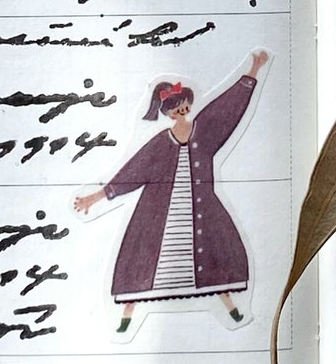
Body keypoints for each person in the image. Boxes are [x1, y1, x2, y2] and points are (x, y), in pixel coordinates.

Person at [73, 50, 270, 337]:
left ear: (189, 104)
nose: (181, 111)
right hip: (159, 215)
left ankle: (232, 309)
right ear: (166, 113)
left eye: (184, 105)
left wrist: (253, 69)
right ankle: (126, 318)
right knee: (142, 265)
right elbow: (132, 172)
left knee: (216, 259)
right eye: (174, 108)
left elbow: (227, 110)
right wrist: (95, 197)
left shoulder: (204, 131)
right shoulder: (158, 143)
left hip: (200, 209)